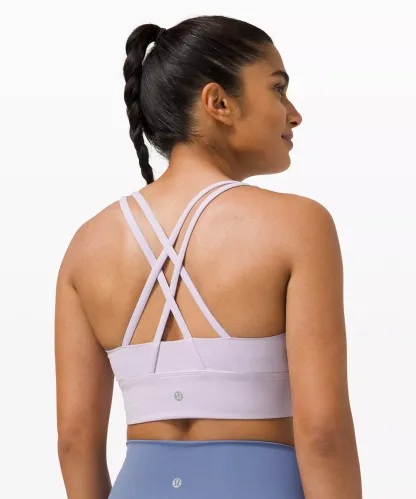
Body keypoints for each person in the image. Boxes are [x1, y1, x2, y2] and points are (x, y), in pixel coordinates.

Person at [54, 14, 362, 499]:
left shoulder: (86, 245)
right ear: (219, 102)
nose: (294, 113)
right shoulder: (299, 226)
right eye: (278, 89)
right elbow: (323, 435)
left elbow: (74, 440)